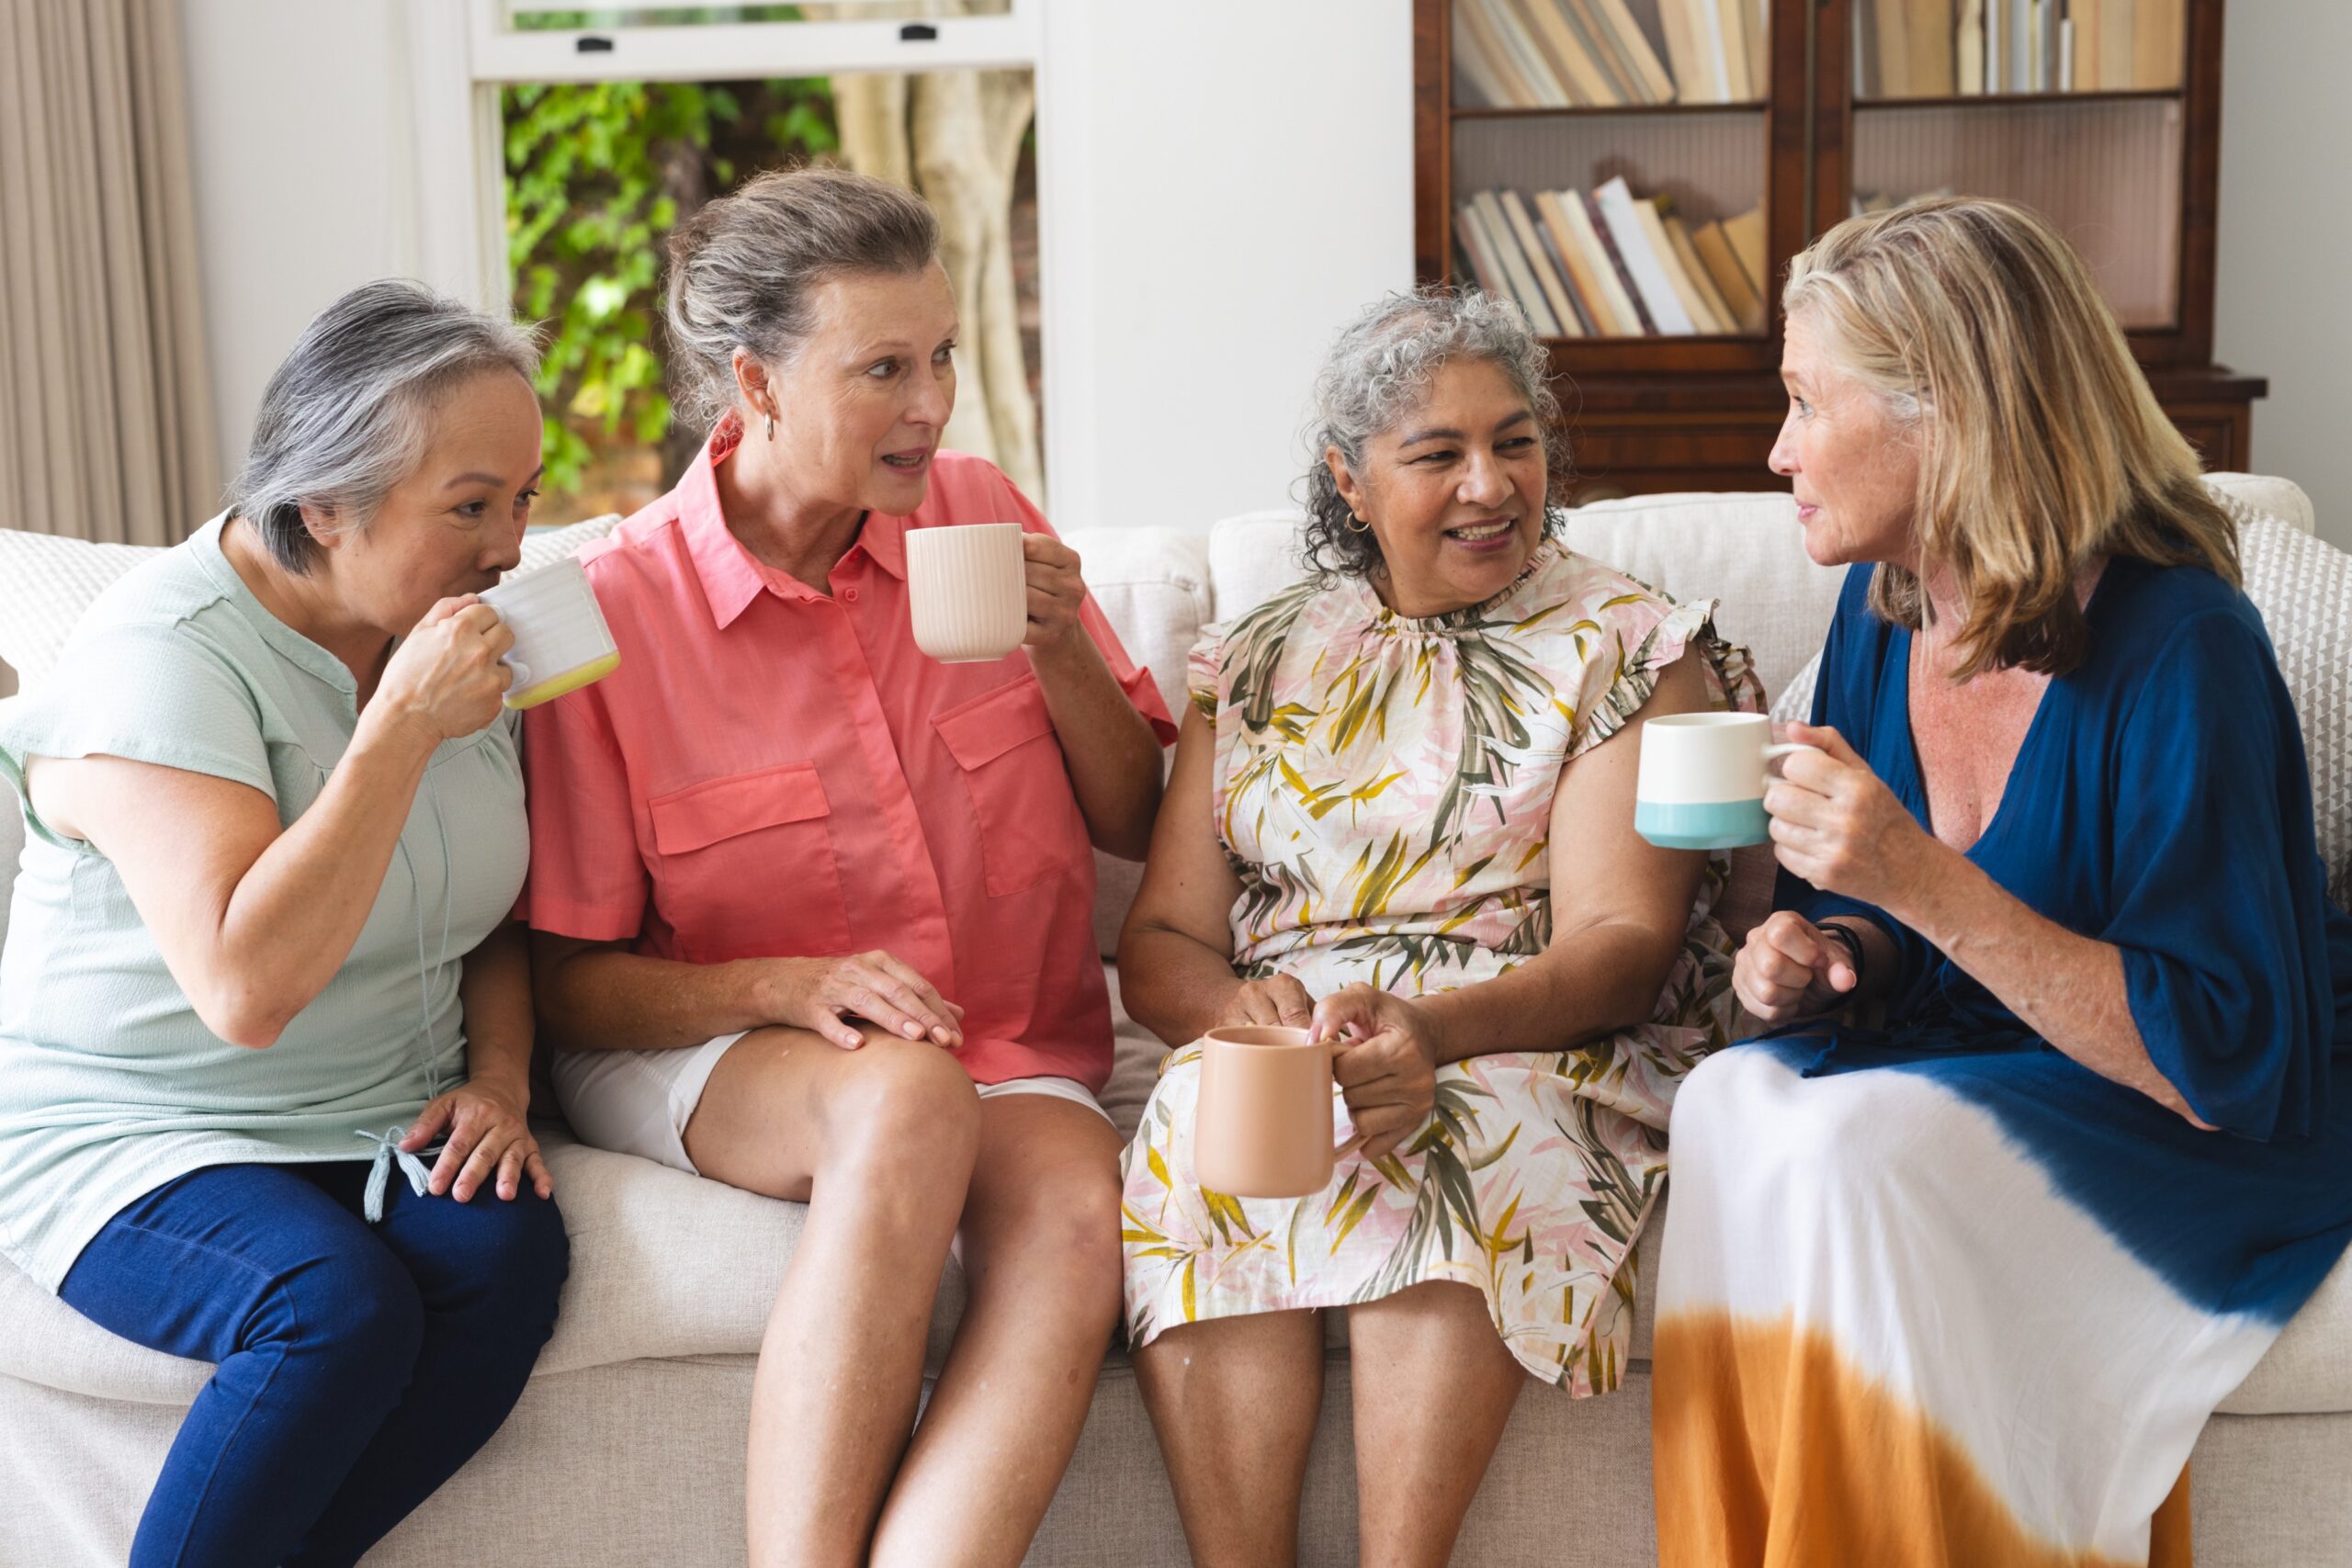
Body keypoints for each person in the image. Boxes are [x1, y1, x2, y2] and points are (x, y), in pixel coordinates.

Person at [1653, 196, 2352, 1566]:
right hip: (2000, 1061)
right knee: (1730, 1095)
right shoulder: (1887, 604)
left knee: (1862, 1147)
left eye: (1806, 402)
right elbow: (1910, 932)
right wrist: (1828, 953)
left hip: (2201, 1126)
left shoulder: (2181, 646)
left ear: (1946, 413)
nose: (1778, 448)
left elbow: (2223, 1060)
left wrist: (1914, 883)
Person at [518, 166, 1174, 1568]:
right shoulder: (615, 616)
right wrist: (791, 985)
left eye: (939, 356)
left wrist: (1059, 647)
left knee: (1073, 1221)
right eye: (884, 367)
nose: (933, 404)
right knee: (901, 1102)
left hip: (1003, 1039)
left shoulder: (979, 513)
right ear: (752, 381)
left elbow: (1136, 816)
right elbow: (571, 986)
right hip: (722, 1038)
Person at [1115, 288, 1762, 1567]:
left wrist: (1428, 1029)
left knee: (1457, 1129)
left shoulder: (1624, 644)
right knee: (1201, 1120)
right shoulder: (1254, 661)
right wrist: (1242, 1017)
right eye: (1438, 454)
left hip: (1532, 1029)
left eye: (1514, 443)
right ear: (1349, 482)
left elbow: (1621, 948)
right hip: (1308, 1027)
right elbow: (1164, 942)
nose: (1490, 484)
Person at [0, 280, 570, 1568]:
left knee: (505, 1262)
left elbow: (493, 911)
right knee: (335, 1307)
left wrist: (498, 1080)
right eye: (471, 506)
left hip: (378, 1115)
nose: (513, 544)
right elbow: (246, 990)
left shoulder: (444, 632)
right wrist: (401, 731)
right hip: (136, 1127)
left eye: (525, 497)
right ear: (323, 507)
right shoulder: (165, 653)